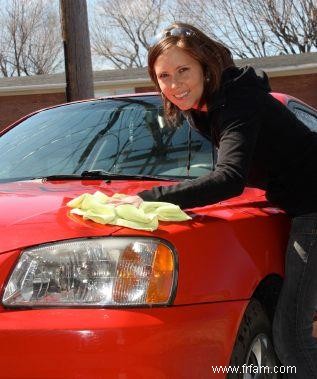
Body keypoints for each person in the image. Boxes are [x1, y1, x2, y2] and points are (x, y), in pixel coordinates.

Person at [133, 22, 317, 378]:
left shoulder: (237, 102)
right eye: (164, 76)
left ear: (205, 65)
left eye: (183, 70)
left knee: (292, 333)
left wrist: (150, 197)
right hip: (302, 202)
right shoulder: (207, 107)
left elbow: (230, 178)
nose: (174, 85)